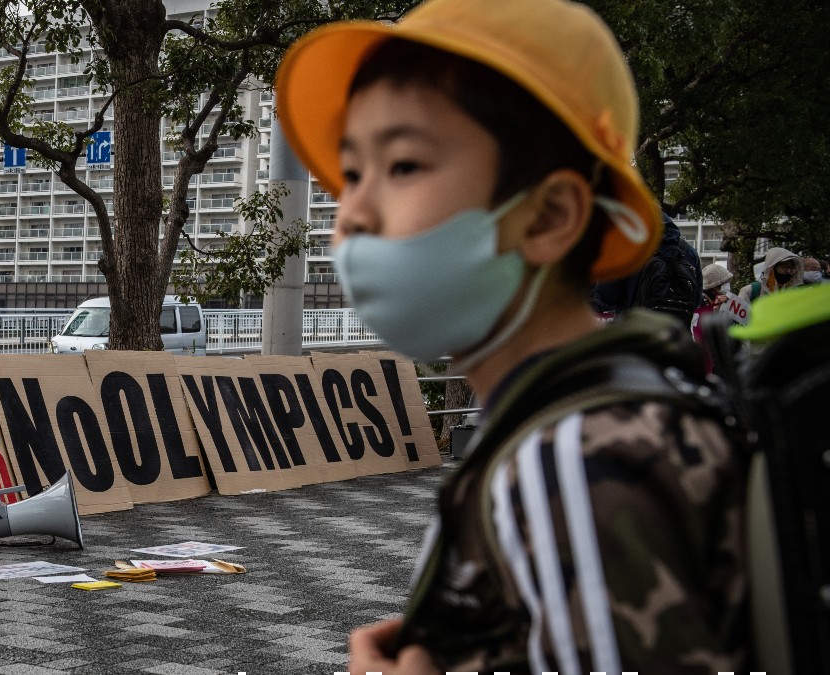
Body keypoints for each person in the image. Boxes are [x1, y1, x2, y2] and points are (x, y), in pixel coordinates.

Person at [275, 0, 747, 672]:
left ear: (550, 214)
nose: (351, 212)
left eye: (404, 165)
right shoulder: (591, 421)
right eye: (353, 173)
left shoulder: (569, 462)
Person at [590, 211, 702, 328]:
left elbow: (607, 295)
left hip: (636, 334)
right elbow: (696, 298)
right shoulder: (689, 252)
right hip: (675, 336)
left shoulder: (628, 248)